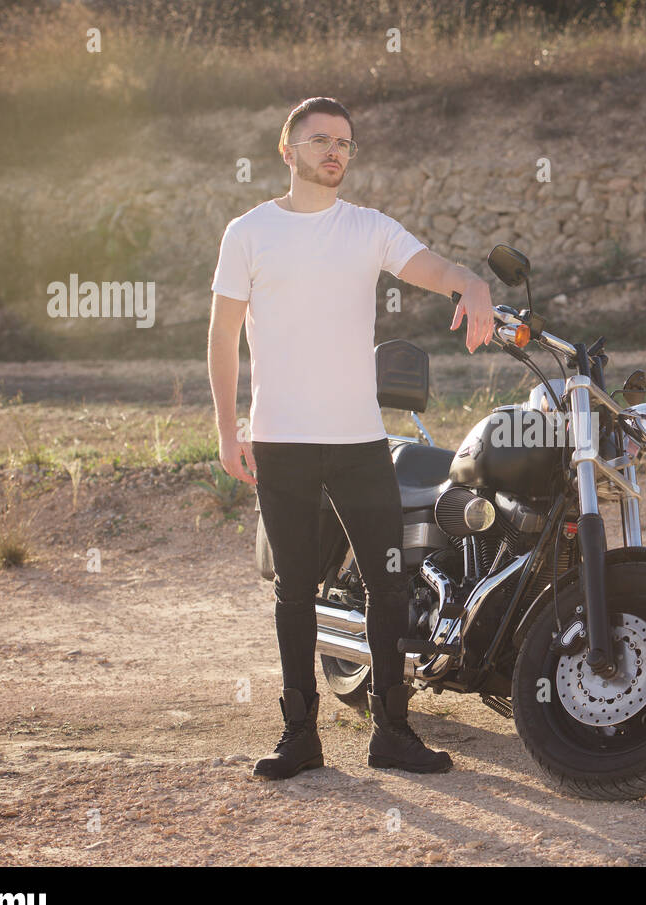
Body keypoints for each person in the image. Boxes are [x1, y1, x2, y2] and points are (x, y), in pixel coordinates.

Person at [207, 96, 497, 780]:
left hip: (360, 441)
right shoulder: (248, 233)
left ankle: (392, 733)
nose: (334, 151)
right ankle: (299, 737)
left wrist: (472, 284)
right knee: (294, 590)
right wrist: (228, 430)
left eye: (343, 142)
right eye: (319, 140)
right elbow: (221, 337)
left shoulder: (368, 229)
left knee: (388, 585)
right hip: (280, 439)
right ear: (289, 151)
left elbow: (434, 270)